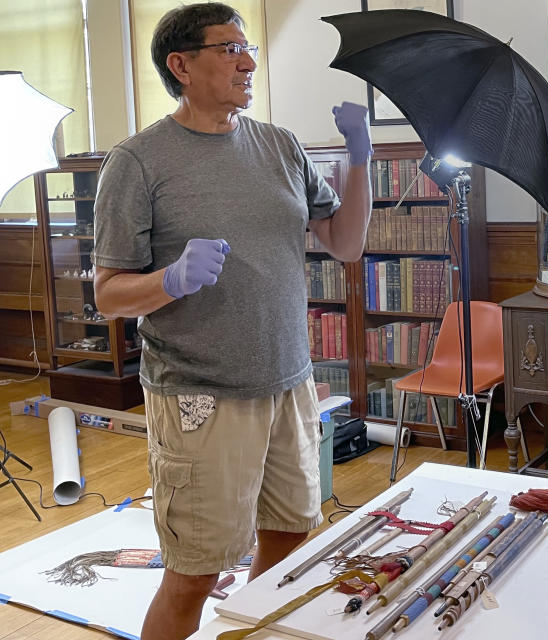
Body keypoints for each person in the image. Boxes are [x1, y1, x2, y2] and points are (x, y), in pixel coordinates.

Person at [90, 4, 372, 640]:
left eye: (248, 48)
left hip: (288, 383)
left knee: (289, 541)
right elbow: (108, 296)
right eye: (229, 49)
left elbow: (346, 243)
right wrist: (171, 280)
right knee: (194, 572)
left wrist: (360, 159)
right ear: (181, 65)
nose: (248, 61)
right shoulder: (137, 163)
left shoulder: (280, 145)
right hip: (200, 395)